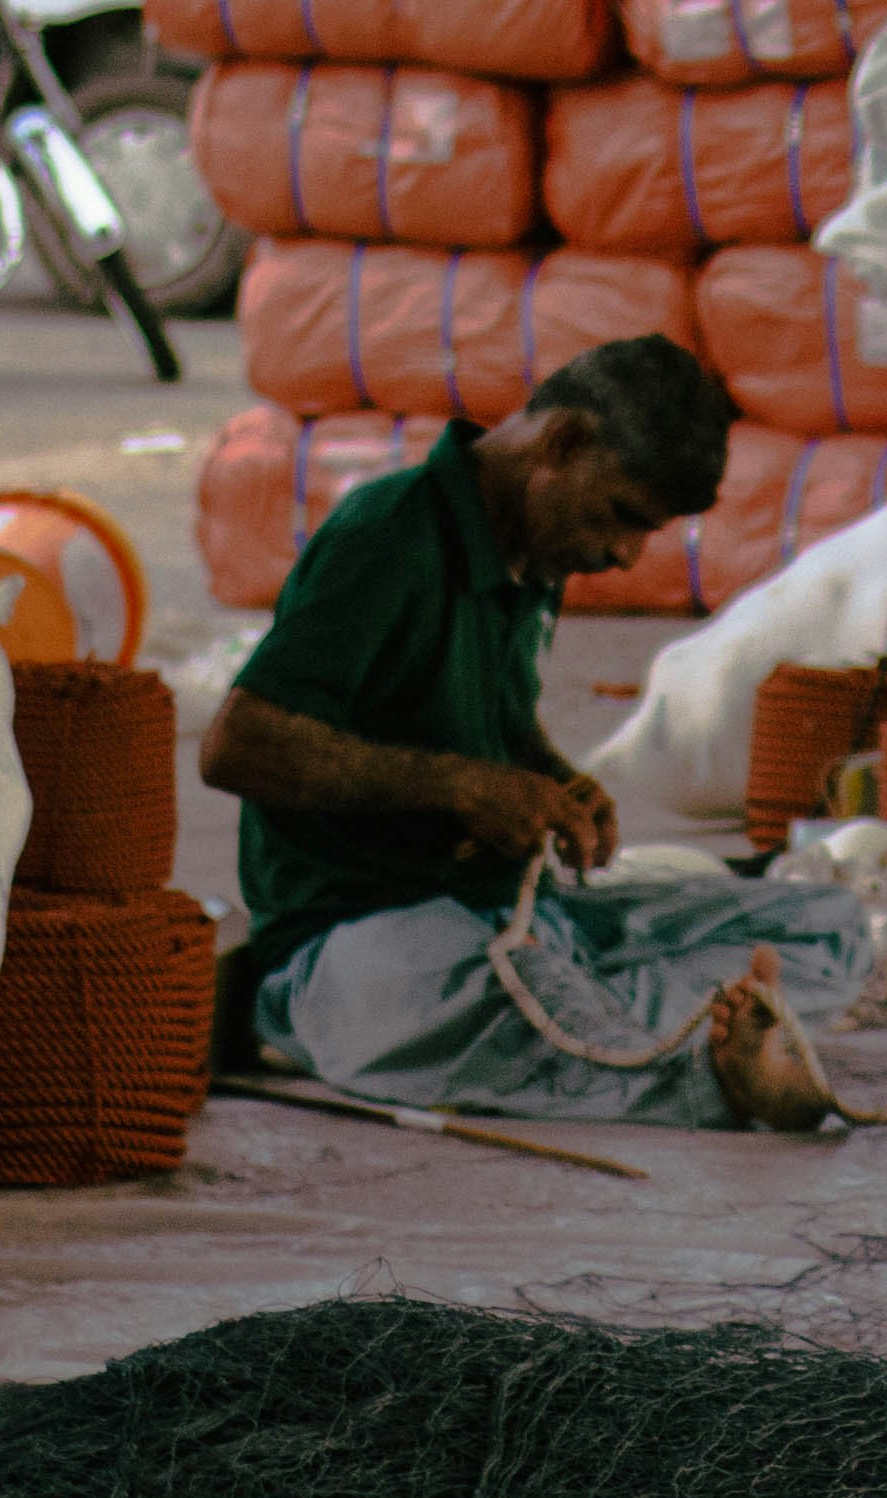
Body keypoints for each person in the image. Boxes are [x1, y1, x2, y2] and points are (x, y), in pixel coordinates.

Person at [202, 335, 733, 1055]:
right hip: (364, 930)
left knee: (824, 924)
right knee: (557, 1029)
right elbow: (238, 745)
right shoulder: (389, 534)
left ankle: (666, 1032)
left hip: (487, 912)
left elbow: (501, 723)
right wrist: (460, 787)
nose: (625, 555)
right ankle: (693, 1061)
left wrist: (556, 782)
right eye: (621, 514)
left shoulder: (538, 555)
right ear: (564, 441)